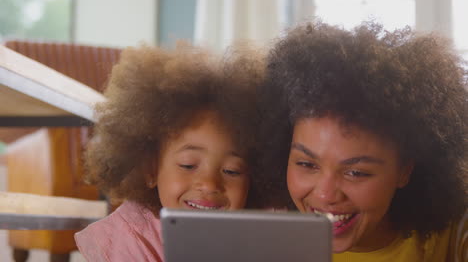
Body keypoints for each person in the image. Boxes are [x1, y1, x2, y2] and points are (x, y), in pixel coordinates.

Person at [257, 21, 467, 261]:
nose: (326, 195)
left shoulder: (450, 234)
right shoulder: (265, 243)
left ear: (405, 170)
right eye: (307, 164)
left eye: (355, 172)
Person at [75, 44, 265, 261]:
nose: (210, 184)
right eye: (188, 165)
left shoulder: (263, 231)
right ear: (150, 169)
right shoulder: (132, 236)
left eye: (232, 170)